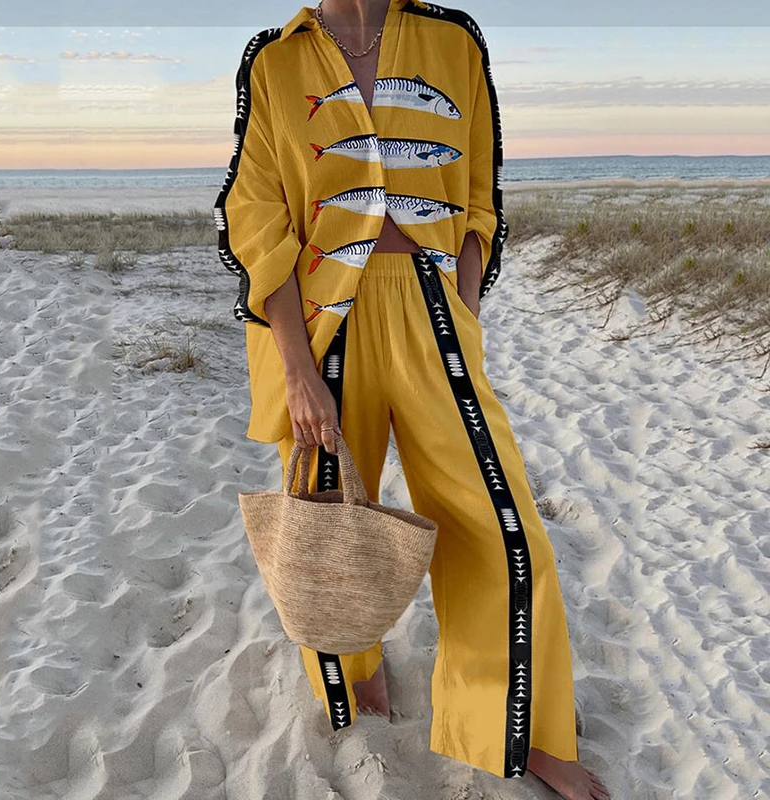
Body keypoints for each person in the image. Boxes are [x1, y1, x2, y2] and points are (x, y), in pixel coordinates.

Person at [214, 1, 611, 796]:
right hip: (324, 322)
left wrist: (464, 304)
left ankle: (522, 731)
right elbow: (257, 220)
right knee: (328, 515)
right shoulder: (275, 60)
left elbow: (478, 192)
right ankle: (355, 667)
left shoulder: (451, 40)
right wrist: (296, 369)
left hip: (432, 308)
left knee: (502, 526)